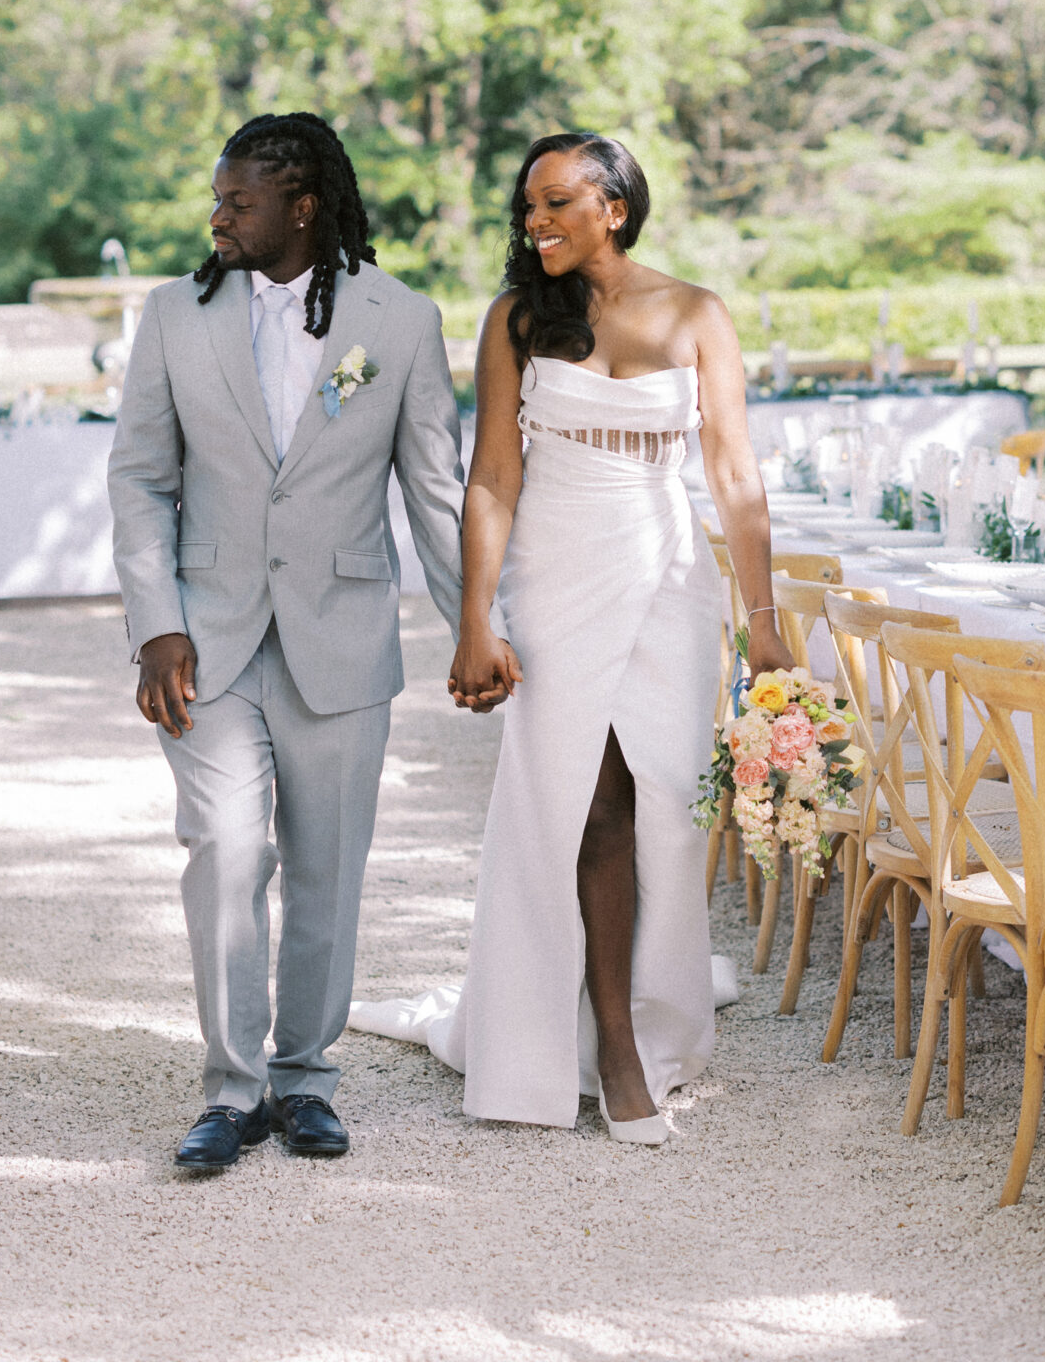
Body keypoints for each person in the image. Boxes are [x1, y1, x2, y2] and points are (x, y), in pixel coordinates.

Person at [350, 130, 784, 1141]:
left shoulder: (696, 312)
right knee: (581, 810)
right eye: (527, 209)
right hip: (554, 578)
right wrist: (473, 619)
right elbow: (492, 474)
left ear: (614, 207)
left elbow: (734, 477)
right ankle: (610, 1054)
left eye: (555, 204)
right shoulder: (513, 319)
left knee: (666, 811)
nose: (535, 223)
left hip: (668, 577)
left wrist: (766, 628)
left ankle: (640, 1014)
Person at [108, 112, 465, 1174]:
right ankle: (232, 1087)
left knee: (329, 866)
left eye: (238, 200)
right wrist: (155, 624)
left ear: (302, 203)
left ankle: (305, 1075)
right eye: (217, 199)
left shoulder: (396, 322)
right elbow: (138, 478)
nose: (217, 215)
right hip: (206, 640)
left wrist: (484, 631)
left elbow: (434, 490)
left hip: (342, 633)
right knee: (223, 850)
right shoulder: (174, 314)